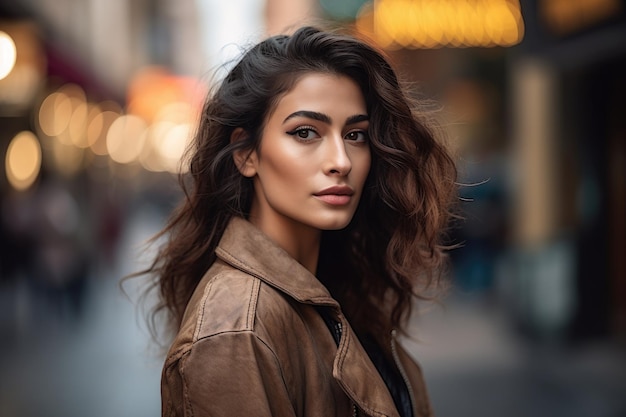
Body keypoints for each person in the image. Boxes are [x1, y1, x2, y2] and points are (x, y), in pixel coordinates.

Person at [144, 26, 457, 417]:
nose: (341, 161)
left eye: (356, 135)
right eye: (306, 132)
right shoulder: (237, 328)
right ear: (246, 154)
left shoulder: (335, 289)